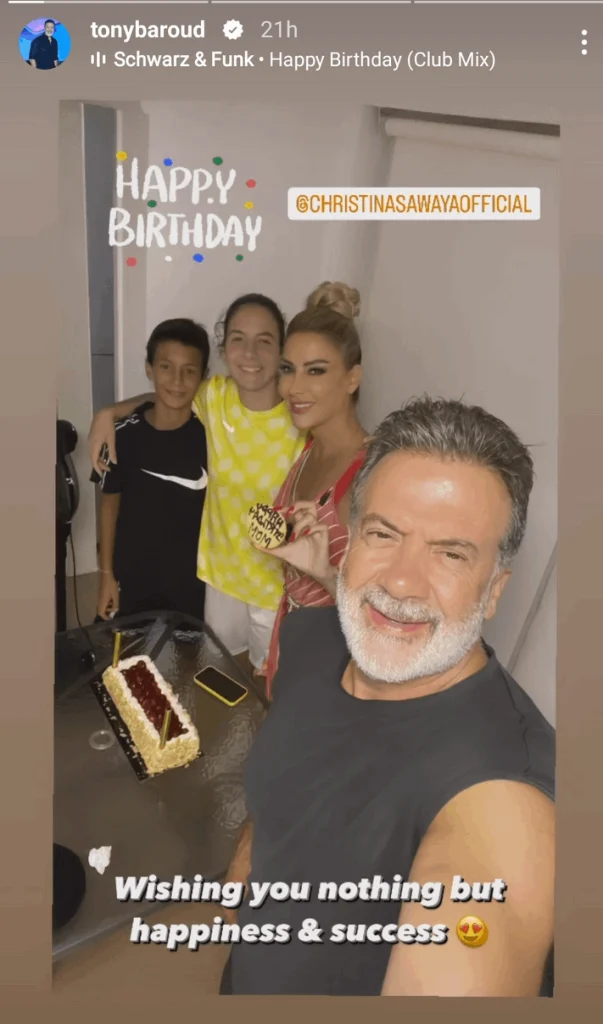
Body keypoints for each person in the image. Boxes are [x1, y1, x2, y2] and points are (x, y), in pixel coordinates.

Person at [220, 396, 555, 997]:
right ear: (351, 539)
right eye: (383, 534)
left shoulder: (505, 798)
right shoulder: (315, 637)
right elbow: (284, 785)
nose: (401, 581)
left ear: (494, 590)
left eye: (450, 553)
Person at [88, 295, 305, 676]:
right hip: (217, 578)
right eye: (238, 339)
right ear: (224, 348)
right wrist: (109, 412)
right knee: (209, 668)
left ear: (281, 348)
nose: (250, 353)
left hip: (271, 585)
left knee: (270, 678)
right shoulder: (214, 399)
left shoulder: (299, 417)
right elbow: (169, 395)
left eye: (264, 340)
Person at [255, 282, 368, 696]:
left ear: (352, 378)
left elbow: (383, 615)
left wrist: (321, 572)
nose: (293, 388)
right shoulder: (309, 448)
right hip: (292, 634)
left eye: (315, 371)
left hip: (336, 665)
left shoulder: (369, 474)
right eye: (288, 369)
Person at [94, 318, 209, 622]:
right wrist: (106, 575)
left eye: (189, 371)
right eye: (166, 367)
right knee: (124, 651)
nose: (177, 381)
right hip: (131, 580)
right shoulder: (123, 435)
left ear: (204, 377)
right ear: (149, 368)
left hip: (192, 585)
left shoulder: (212, 438)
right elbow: (109, 505)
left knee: (184, 651)